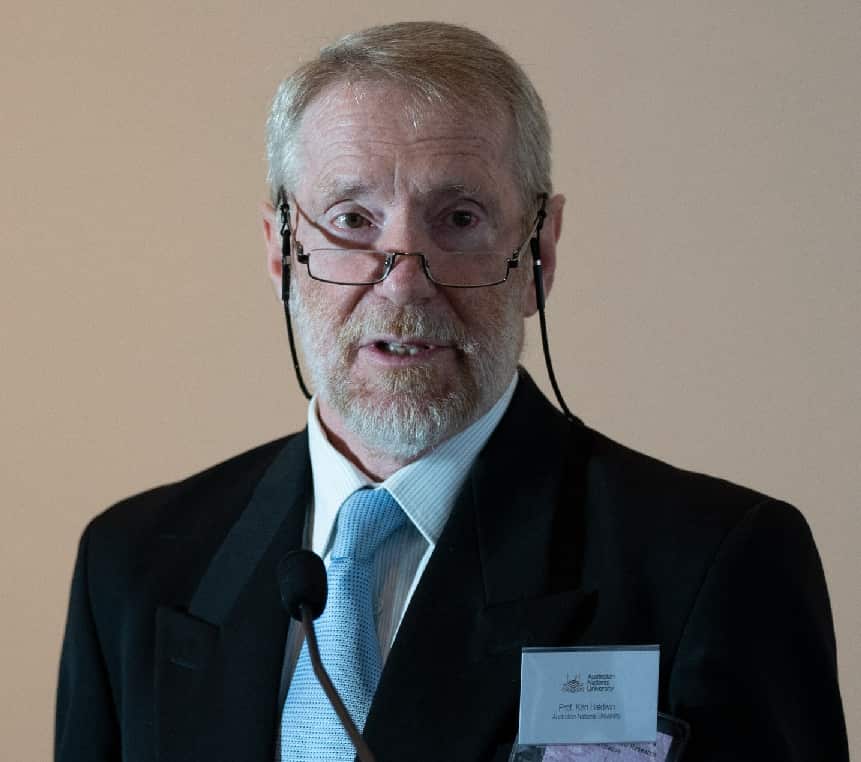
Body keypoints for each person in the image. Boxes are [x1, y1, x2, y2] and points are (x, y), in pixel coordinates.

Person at [56, 21, 848, 762]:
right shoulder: (131, 565)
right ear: (280, 255)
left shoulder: (717, 562)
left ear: (538, 251)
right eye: (352, 218)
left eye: (459, 218)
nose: (403, 284)